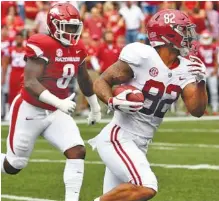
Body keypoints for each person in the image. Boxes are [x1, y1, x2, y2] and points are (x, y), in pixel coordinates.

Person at [89, 9, 208, 201]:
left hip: (141, 143)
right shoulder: (142, 56)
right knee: (146, 186)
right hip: (119, 137)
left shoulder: (186, 67)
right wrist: (113, 101)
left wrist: (201, 82)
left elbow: (197, 110)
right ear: (167, 34)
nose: (189, 36)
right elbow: (101, 81)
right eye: (183, 30)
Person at [1, 3, 101, 201]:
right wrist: (58, 101)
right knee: (14, 165)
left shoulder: (77, 47)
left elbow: (84, 78)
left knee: (77, 150)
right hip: (30, 109)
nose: (73, 32)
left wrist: (95, 106)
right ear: (54, 25)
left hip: (56, 112)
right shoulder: (42, 42)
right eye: (69, 27)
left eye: (75, 27)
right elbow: (30, 82)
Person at [2, 32, 26, 106]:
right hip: (14, 73)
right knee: (12, 92)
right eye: (17, 38)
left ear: (23, 39)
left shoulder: (26, 50)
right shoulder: (10, 50)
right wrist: (3, 76)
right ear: (15, 39)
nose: (19, 40)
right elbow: (5, 63)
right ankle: (11, 109)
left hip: (23, 72)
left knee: (23, 92)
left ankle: (22, 108)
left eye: (20, 38)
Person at [197, 30, 218, 114]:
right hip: (202, 70)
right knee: (201, 92)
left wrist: (216, 70)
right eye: (204, 37)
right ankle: (202, 109)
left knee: (214, 91)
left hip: (211, 70)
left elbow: (216, 59)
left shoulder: (213, 47)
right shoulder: (198, 47)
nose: (206, 39)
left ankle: (215, 109)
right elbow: (197, 60)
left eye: (207, 37)